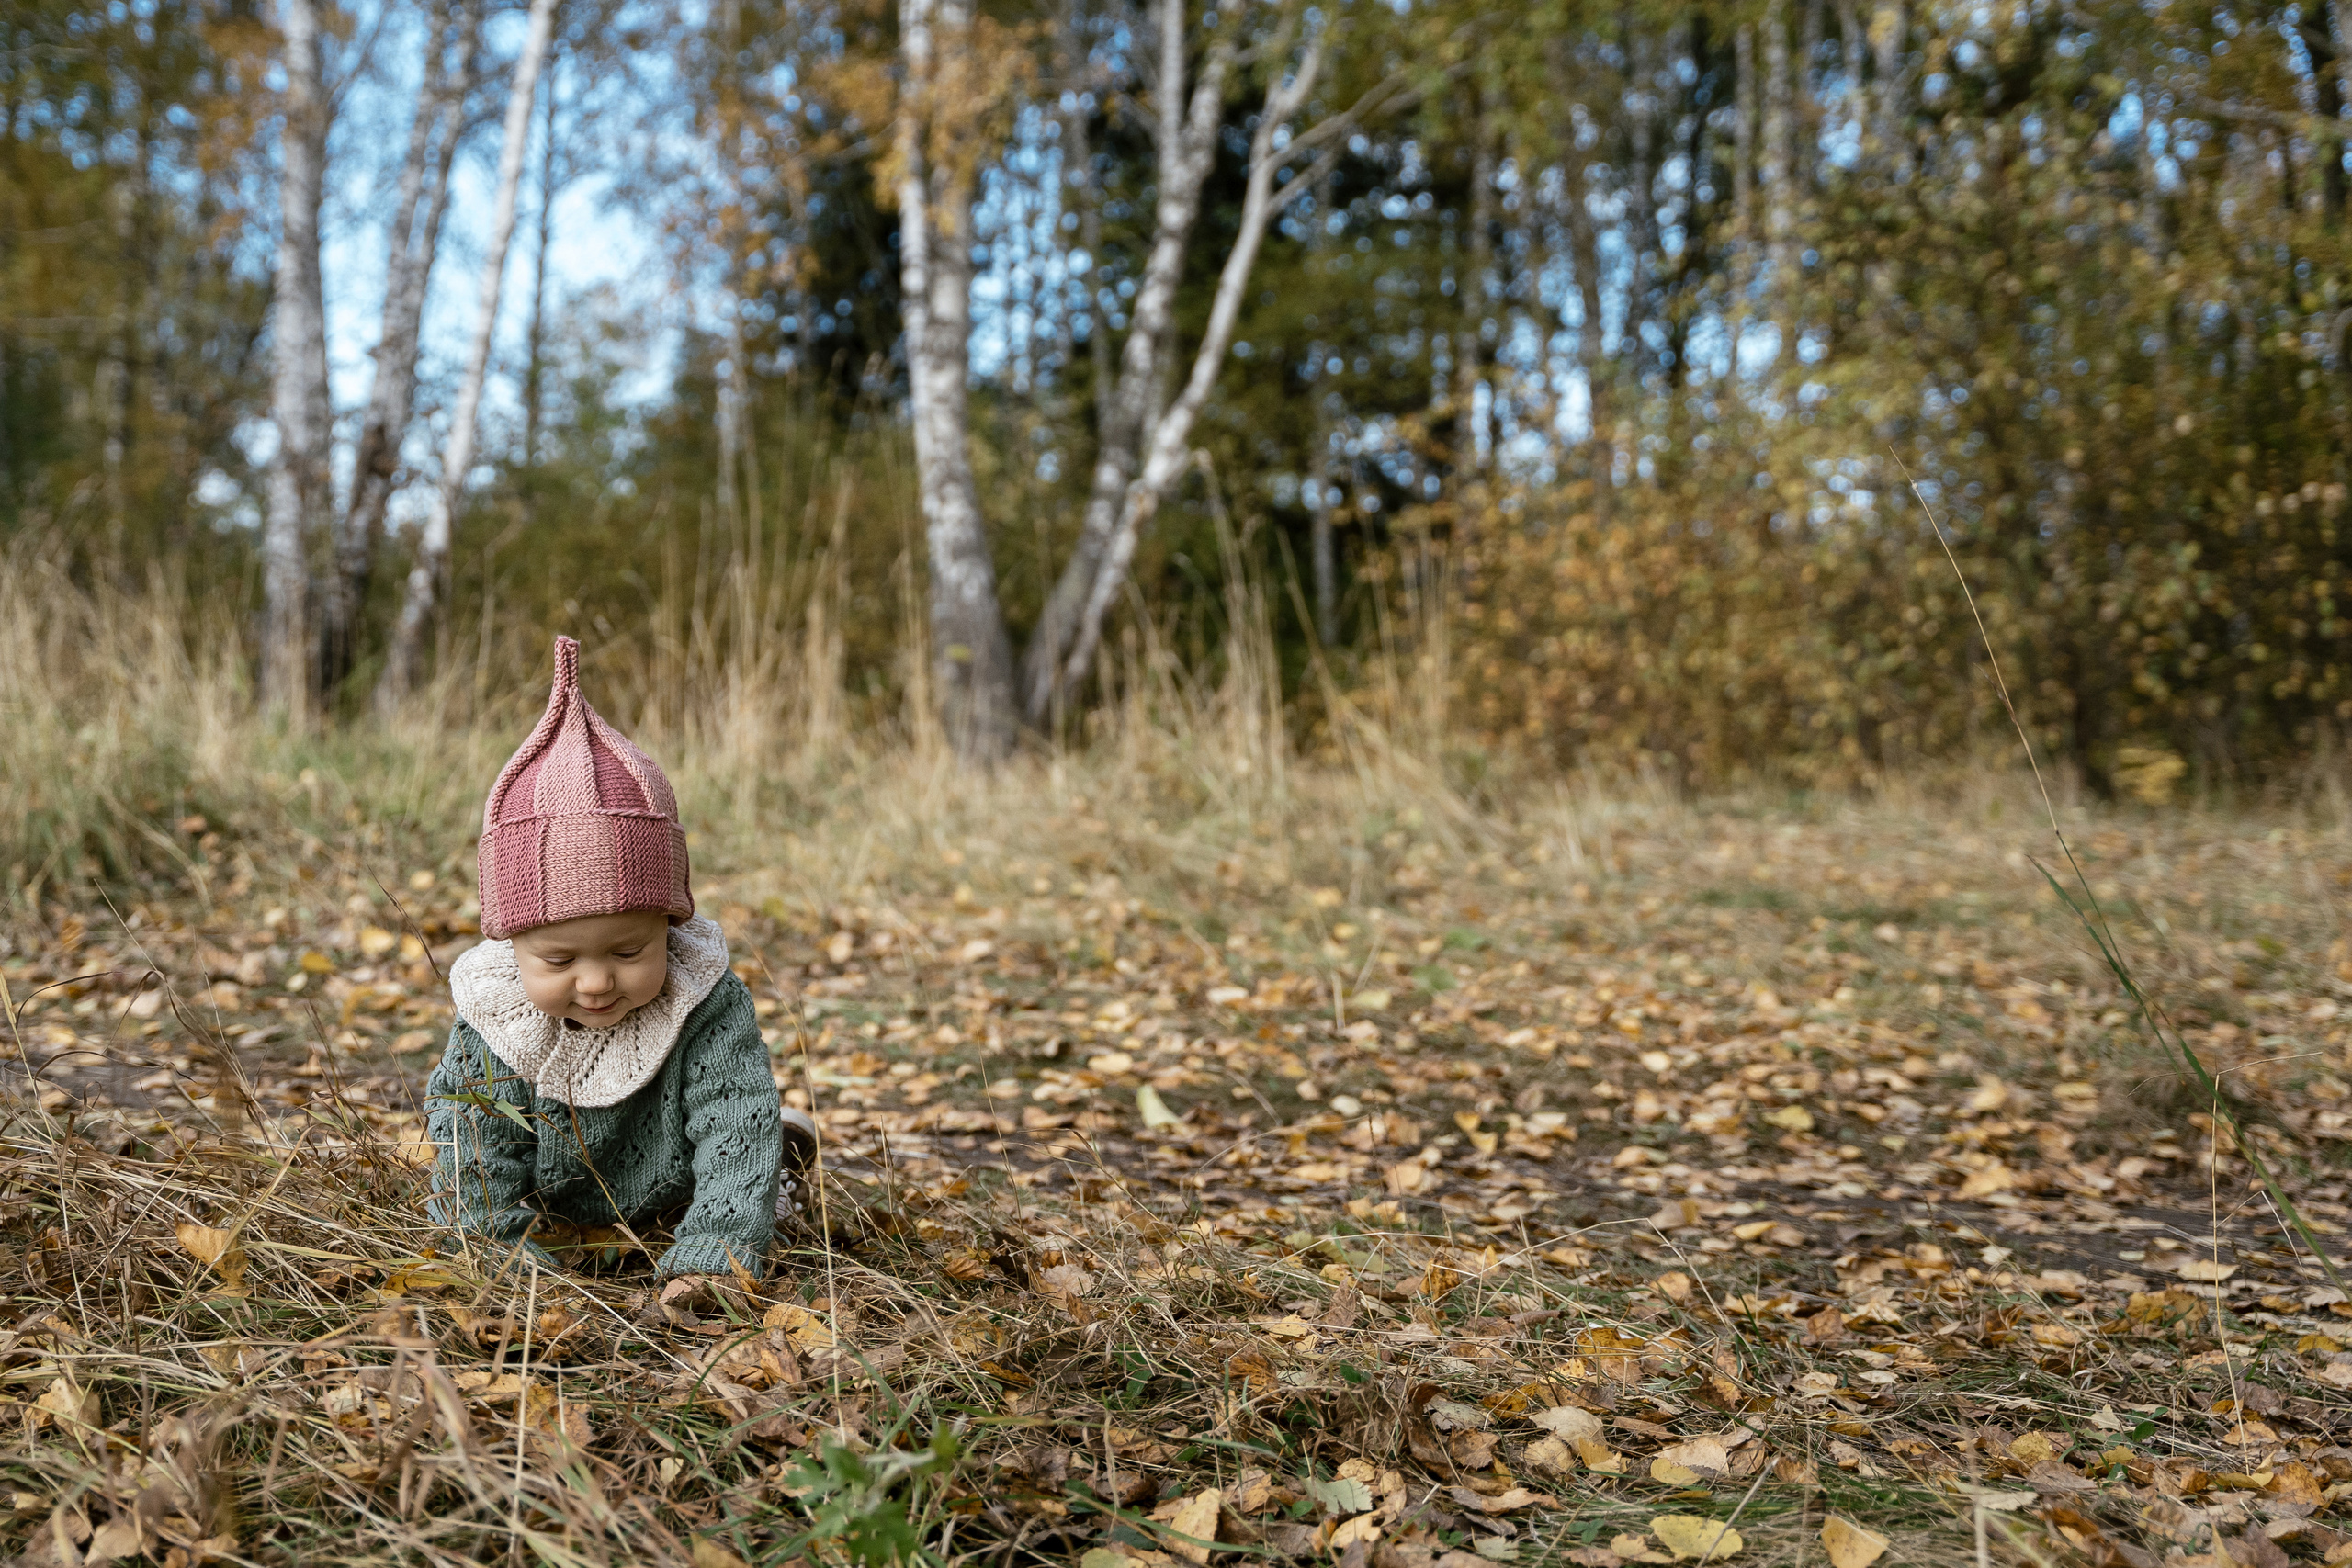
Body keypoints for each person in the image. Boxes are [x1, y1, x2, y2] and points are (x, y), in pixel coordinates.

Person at [424, 636, 818, 1286]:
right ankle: (781, 1147)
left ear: (670, 922)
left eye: (630, 950)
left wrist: (715, 1254)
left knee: (750, 1152)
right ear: (509, 945)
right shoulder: (496, 1019)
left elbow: (729, 1118)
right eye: (557, 958)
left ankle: (778, 1165)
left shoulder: (705, 1002)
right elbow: (472, 1152)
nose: (597, 980)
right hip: (555, 1204)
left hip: (679, 1186)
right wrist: (498, 1259)